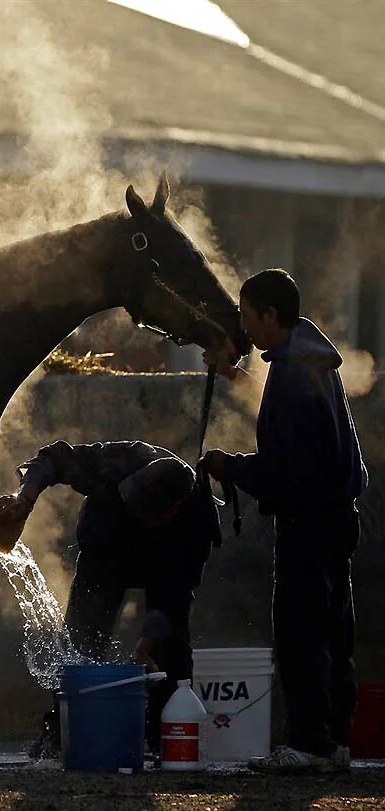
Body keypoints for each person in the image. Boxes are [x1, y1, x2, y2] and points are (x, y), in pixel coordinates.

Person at [202, 268, 367, 774]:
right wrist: (233, 373)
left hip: (308, 520)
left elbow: (285, 470)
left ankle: (307, 743)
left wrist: (230, 467)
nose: (246, 328)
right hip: (337, 516)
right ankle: (334, 741)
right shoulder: (312, 362)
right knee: (334, 633)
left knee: (301, 633)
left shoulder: (295, 372)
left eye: (249, 317)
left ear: (271, 315)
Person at [0, 440, 221, 758]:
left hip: (164, 566)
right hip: (104, 553)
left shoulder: (195, 521)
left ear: (171, 511)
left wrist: (145, 645)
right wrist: (25, 499)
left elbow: (175, 594)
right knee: (80, 645)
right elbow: (54, 458)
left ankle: (166, 739)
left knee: (170, 651)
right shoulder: (123, 460)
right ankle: (63, 734)